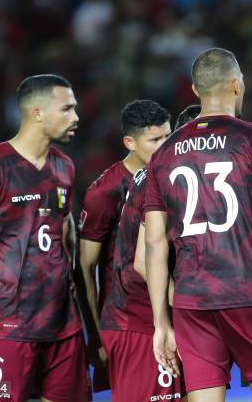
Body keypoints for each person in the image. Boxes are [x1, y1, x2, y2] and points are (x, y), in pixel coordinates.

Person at [143, 47, 252, 402]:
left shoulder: (162, 154)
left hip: (194, 301)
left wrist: (160, 322)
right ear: (238, 85)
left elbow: (154, 243)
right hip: (251, 291)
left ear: (195, 91)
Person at [0, 74, 89, 402]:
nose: (76, 117)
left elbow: (66, 236)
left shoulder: (65, 167)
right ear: (37, 112)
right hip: (8, 328)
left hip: (63, 327)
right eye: (67, 109)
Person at [77, 99, 171, 385]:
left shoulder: (174, 178)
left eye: (169, 136)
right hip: (130, 322)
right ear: (130, 142)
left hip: (174, 315)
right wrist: (94, 337)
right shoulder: (105, 192)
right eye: (155, 139)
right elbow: (84, 267)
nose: (165, 146)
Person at [99, 117, 185, 401]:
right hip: (136, 321)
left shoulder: (157, 177)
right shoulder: (156, 180)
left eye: (167, 137)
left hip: (157, 320)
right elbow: (142, 262)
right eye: (156, 139)